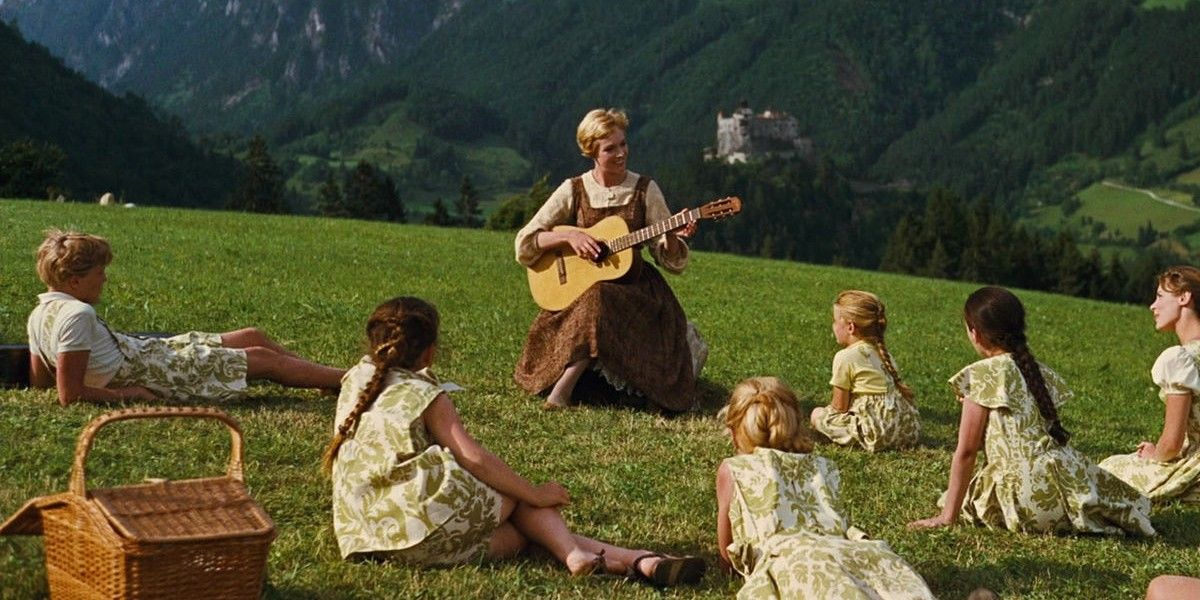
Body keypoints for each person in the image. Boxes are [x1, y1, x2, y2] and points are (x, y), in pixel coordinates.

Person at [324, 296, 706, 585]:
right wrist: (535, 492)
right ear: (429, 351)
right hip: (421, 524)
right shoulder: (426, 395)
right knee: (514, 495)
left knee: (518, 535)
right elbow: (473, 457)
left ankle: (633, 561)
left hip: (370, 534)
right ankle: (597, 555)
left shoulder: (356, 380)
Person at [908, 287, 1154, 536]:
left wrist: (947, 516)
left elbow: (967, 451)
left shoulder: (982, 375)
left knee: (953, 498)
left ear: (976, 333)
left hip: (1025, 499)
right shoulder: (1038, 372)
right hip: (1064, 487)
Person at [513, 108, 703, 411]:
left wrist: (670, 235)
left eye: (623, 144)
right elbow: (526, 242)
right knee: (596, 295)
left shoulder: (645, 189)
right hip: (581, 291)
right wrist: (570, 237)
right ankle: (568, 384)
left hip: (636, 293)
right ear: (592, 152)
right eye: (610, 148)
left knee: (600, 296)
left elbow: (668, 258)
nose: (620, 153)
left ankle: (564, 390)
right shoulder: (573, 189)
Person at [26, 229, 345, 405]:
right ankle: (349, 379)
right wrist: (130, 394)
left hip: (144, 352)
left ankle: (322, 380)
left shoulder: (40, 312)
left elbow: (41, 380)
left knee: (252, 336)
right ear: (75, 281)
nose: (104, 279)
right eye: (100, 272)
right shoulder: (78, 314)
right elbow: (70, 395)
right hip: (154, 371)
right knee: (262, 358)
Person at [715, 376, 935, 599]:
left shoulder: (734, 469)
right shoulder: (822, 466)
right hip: (849, 554)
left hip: (793, 562)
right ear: (795, 424)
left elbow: (727, 553)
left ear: (734, 433)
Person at [1099, 266, 1200, 502]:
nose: (1153, 306)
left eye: (1160, 297)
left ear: (1184, 298)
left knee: (1109, 469)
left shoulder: (1180, 359)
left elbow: (1172, 444)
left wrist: (1156, 454)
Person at [810, 290, 920, 451]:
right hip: (907, 432)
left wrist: (823, 414)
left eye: (835, 321)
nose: (833, 326)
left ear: (850, 327)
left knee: (817, 414)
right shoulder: (883, 354)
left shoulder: (845, 357)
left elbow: (839, 407)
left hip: (878, 434)